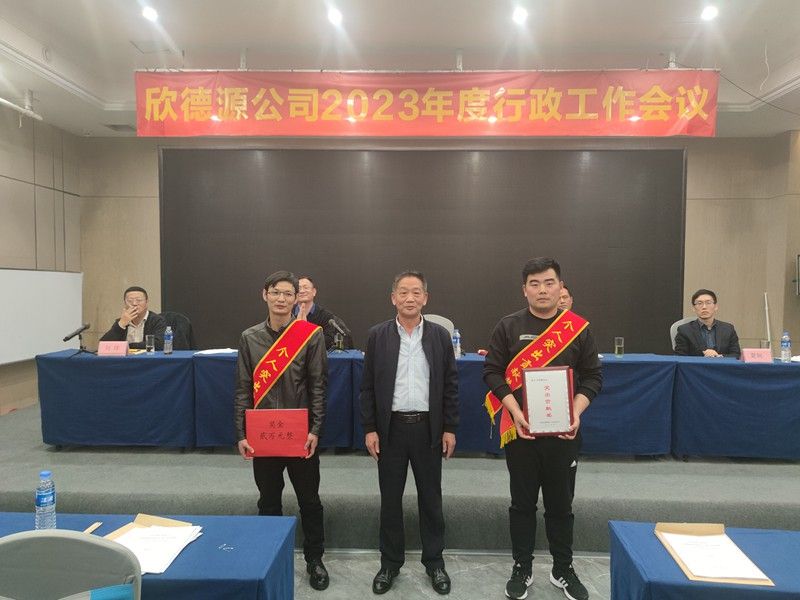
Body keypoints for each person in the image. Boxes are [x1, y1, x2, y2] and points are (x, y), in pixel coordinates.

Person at [483, 258, 602, 600]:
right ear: (525, 290)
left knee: (561, 505)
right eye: (534, 284)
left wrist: (576, 412)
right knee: (521, 504)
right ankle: (522, 566)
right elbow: (492, 372)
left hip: (564, 435)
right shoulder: (508, 326)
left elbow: (593, 377)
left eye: (549, 283)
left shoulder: (577, 328)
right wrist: (515, 410)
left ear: (560, 286)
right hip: (521, 433)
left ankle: (563, 567)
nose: (542, 290)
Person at [360, 270, 459, 595]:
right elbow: (367, 387)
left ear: (425, 298)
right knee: (390, 500)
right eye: (403, 292)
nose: (410, 298)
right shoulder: (378, 335)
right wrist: (370, 428)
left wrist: (449, 427)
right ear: (393, 298)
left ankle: (435, 562)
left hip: (428, 430)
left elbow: (450, 385)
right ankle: (390, 563)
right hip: (390, 431)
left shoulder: (440, 336)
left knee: (431, 499)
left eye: (416, 292)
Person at [234, 271, 330, 591]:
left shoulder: (310, 335)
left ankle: (315, 560)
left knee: (310, 501)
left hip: (300, 435)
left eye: (288, 293)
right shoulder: (249, 337)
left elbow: (318, 386)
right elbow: (243, 388)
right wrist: (241, 432)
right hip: (263, 436)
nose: (281, 299)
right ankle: (270, 559)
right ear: (265, 295)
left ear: (296, 298)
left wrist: (316, 429)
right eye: (276, 292)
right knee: (268, 501)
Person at [674, 289, 741, 359]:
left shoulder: (728, 329)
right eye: (699, 303)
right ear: (693, 308)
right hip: (696, 366)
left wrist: (718, 356)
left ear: (716, 306)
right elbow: (680, 357)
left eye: (708, 303)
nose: (704, 307)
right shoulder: (684, 330)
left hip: (721, 365)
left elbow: (736, 354)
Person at [294, 276, 354, 350]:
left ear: (314, 292)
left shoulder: (326, 316)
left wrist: (305, 331)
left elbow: (328, 341)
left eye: (306, 287)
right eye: (299, 288)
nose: (302, 291)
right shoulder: (288, 314)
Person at [99, 286, 166, 350]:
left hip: (147, 357)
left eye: (139, 300)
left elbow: (159, 344)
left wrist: (128, 346)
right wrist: (121, 325)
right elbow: (103, 345)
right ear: (125, 303)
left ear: (147, 302)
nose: (134, 303)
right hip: (126, 358)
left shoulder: (157, 320)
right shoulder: (122, 321)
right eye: (130, 301)